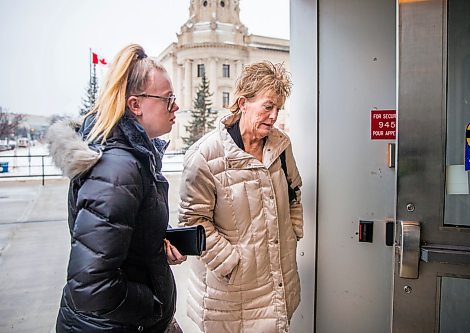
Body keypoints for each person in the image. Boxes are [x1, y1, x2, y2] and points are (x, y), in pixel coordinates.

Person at [46, 44, 186, 333]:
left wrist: (153, 245)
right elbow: (90, 285)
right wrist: (153, 306)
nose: (176, 107)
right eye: (168, 99)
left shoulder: (135, 158)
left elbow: (115, 240)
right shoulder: (118, 168)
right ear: (135, 105)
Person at [178, 61, 304, 333]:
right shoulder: (204, 156)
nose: (273, 116)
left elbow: (294, 193)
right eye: (267, 106)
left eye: (278, 108)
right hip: (230, 295)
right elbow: (194, 221)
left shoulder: (281, 145)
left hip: (278, 284)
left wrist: (293, 233)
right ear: (243, 102)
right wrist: (232, 264)